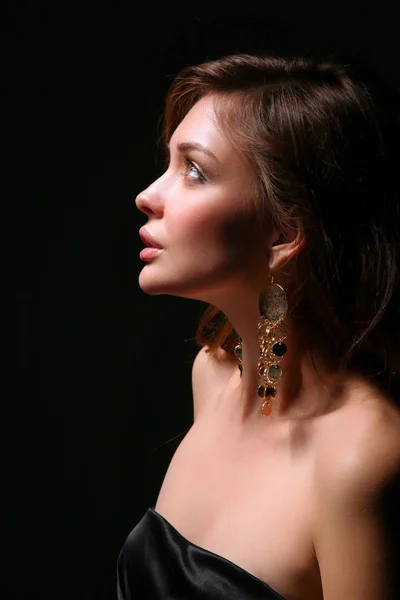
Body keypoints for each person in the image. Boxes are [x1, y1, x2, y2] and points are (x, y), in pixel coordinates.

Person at [117, 52, 400, 600]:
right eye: (168, 164)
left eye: (193, 171)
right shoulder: (215, 379)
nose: (148, 195)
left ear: (285, 233)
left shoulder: (359, 460)